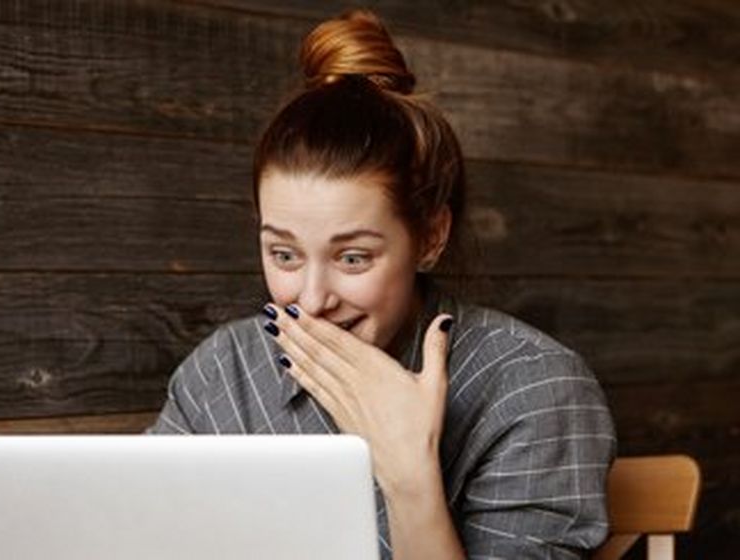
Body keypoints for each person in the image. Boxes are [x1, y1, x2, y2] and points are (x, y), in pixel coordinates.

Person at [146, 8, 616, 559]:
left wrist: (408, 474)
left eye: (352, 257)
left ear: (431, 237)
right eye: (284, 253)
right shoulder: (222, 373)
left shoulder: (532, 389)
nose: (312, 300)